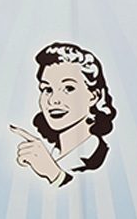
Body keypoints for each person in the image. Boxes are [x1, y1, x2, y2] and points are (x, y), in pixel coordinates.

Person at [11, 42, 117, 187]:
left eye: (68, 88)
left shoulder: (99, 156)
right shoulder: (50, 153)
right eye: (47, 89)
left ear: (93, 96)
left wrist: (54, 174)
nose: (53, 100)